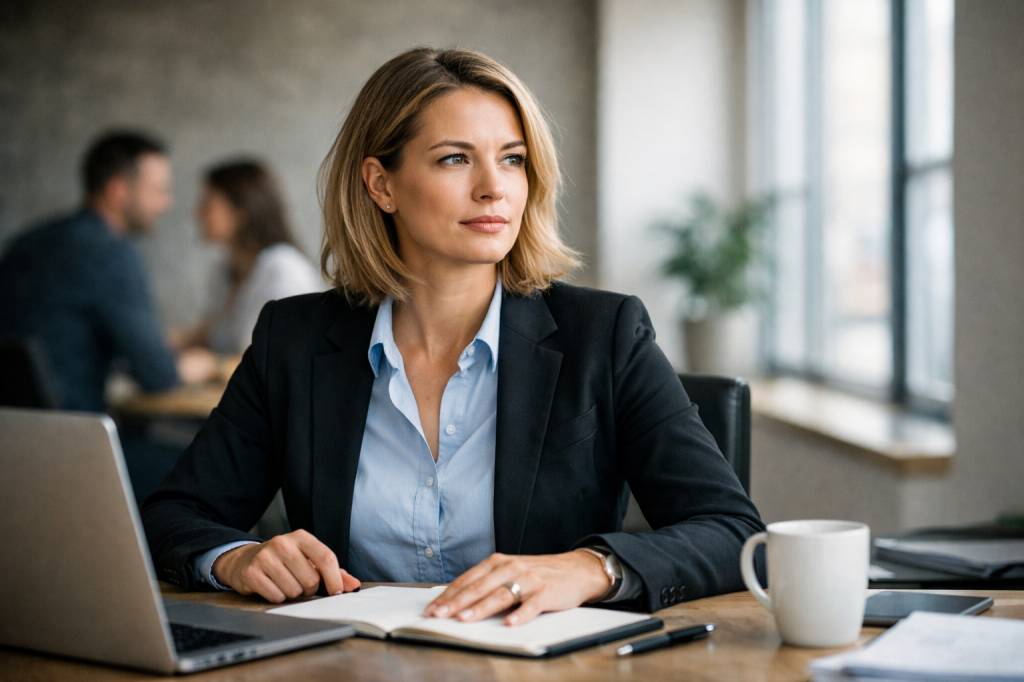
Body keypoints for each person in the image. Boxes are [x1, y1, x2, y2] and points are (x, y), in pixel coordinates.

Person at [142, 47, 764, 625]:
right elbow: (175, 516)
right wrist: (234, 558)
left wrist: (589, 568)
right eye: (455, 159)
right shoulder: (296, 339)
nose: (493, 186)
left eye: (512, 159)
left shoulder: (604, 335)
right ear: (380, 184)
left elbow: (733, 530)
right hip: (349, 667)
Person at [0, 130, 215, 412]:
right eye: (158, 191)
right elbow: (157, 375)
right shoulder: (110, 253)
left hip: (15, 431)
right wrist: (201, 366)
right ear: (117, 191)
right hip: (76, 435)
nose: (166, 204)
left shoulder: (27, 242)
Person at [173, 160, 322, 355]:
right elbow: (207, 334)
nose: (197, 214)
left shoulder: (283, 268)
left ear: (241, 211)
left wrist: (213, 367)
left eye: (207, 204)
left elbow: (281, 359)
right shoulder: (225, 269)